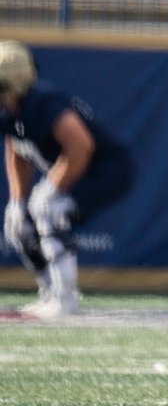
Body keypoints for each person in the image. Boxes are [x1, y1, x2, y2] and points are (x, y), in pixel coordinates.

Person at [1, 41, 136, 319]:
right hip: (77, 170)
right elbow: (15, 147)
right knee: (18, 224)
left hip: (106, 172)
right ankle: (50, 292)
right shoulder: (9, 109)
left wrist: (51, 188)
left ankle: (64, 300)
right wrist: (17, 200)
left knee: (48, 209)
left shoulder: (42, 102)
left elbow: (81, 146)